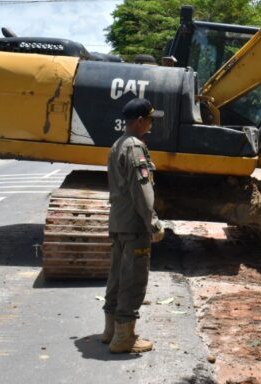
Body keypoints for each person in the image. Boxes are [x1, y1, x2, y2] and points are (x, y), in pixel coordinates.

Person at [101, 97, 165, 354]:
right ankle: (124, 338)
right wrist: (153, 223)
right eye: (150, 119)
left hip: (118, 221)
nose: (151, 123)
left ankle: (110, 330)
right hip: (134, 223)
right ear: (140, 121)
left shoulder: (117, 145)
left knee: (116, 275)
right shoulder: (136, 148)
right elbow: (142, 190)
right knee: (133, 279)